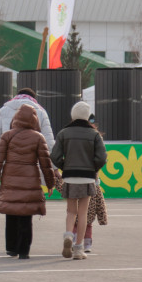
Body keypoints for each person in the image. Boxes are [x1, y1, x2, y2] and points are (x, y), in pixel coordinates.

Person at [0, 104, 57, 258]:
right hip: (30, 181)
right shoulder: (38, 137)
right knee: (26, 216)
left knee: (11, 213)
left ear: (15, 119)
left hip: (9, 179)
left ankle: (11, 248)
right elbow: (45, 163)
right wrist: (50, 183)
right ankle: (24, 251)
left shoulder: (7, 136)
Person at [51, 101, 107, 261]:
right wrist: (93, 168)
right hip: (87, 177)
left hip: (69, 177)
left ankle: (68, 235)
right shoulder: (94, 135)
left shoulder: (63, 133)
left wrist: (64, 167)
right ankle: (78, 249)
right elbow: (102, 157)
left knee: (70, 212)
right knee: (82, 214)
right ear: (87, 116)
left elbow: (54, 156)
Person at [0, 87, 56, 152]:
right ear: (33, 98)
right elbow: (48, 141)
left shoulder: (3, 110)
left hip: (9, 157)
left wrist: (0, 154)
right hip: (33, 158)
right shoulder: (41, 112)